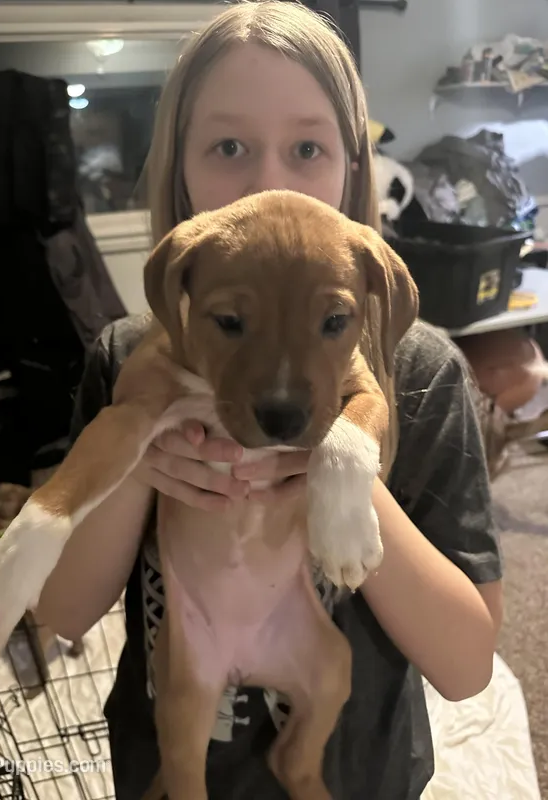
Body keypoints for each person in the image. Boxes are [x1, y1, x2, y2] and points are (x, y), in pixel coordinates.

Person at [36, 2, 503, 797]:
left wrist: (348, 476)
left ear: (352, 166)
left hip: (357, 770)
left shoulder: (419, 368)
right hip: (173, 759)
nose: (269, 184)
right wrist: (142, 456)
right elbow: (62, 613)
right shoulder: (126, 358)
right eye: (228, 146)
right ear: (177, 166)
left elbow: (467, 668)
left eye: (308, 147)